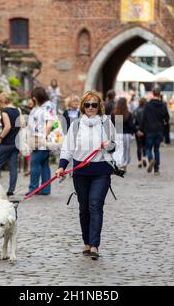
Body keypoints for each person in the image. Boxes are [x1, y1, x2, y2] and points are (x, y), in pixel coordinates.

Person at [55, 91, 116, 260]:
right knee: (84, 208)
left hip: (101, 171)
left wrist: (108, 145)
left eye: (94, 105)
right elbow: (67, 148)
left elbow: (115, 147)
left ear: (99, 107)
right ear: (83, 106)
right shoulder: (75, 125)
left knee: (95, 204)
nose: (90, 108)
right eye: (87, 104)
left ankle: (95, 245)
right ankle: (87, 242)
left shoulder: (106, 124)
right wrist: (61, 167)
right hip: (80, 172)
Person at [0, 92, 21, 197]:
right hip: (15, 143)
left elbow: (7, 126)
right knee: (13, 167)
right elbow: (21, 125)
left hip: (6, 143)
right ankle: (11, 190)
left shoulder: (5, 111)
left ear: (2, 101)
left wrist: (0, 137)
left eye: (0, 103)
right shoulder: (18, 111)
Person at [27, 87, 56, 196]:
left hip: (41, 140)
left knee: (34, 162)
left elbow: (50, 123)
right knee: (44, 163)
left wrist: (43, 138)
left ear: (35, 98)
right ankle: (45, 188)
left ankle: (33, 188)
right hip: (37, 139)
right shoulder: (40, 107)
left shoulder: (48, 106)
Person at [137, 87, 169, 176]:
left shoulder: (148, 105)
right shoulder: (163, 105)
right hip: (159, 130)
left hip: (149, 130)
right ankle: (156, 170)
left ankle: (151, 160)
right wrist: (164, 122)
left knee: (148, 148)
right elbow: (167, 118)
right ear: (160, 94)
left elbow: (144, 119)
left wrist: (141, 129)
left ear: (153, 93)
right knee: (156, 149)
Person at [111, 97, 136, 171]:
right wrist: (134, 131)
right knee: (125, 150)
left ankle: (117, 163)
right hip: (126, 134)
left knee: (117, 150)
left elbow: (113, 125)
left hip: (117, 134)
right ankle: (123, 164)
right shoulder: (128, 114)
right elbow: (131, 125)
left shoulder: (114, 113)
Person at [133, 98, 147, 168]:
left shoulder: (135, 110)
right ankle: (144, 157)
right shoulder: (146, 110)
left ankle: (139, 161)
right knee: (144, 145)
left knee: (139, 146)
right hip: (145, 129)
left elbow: (133, 122)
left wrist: (135, 130)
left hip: (137, 130)